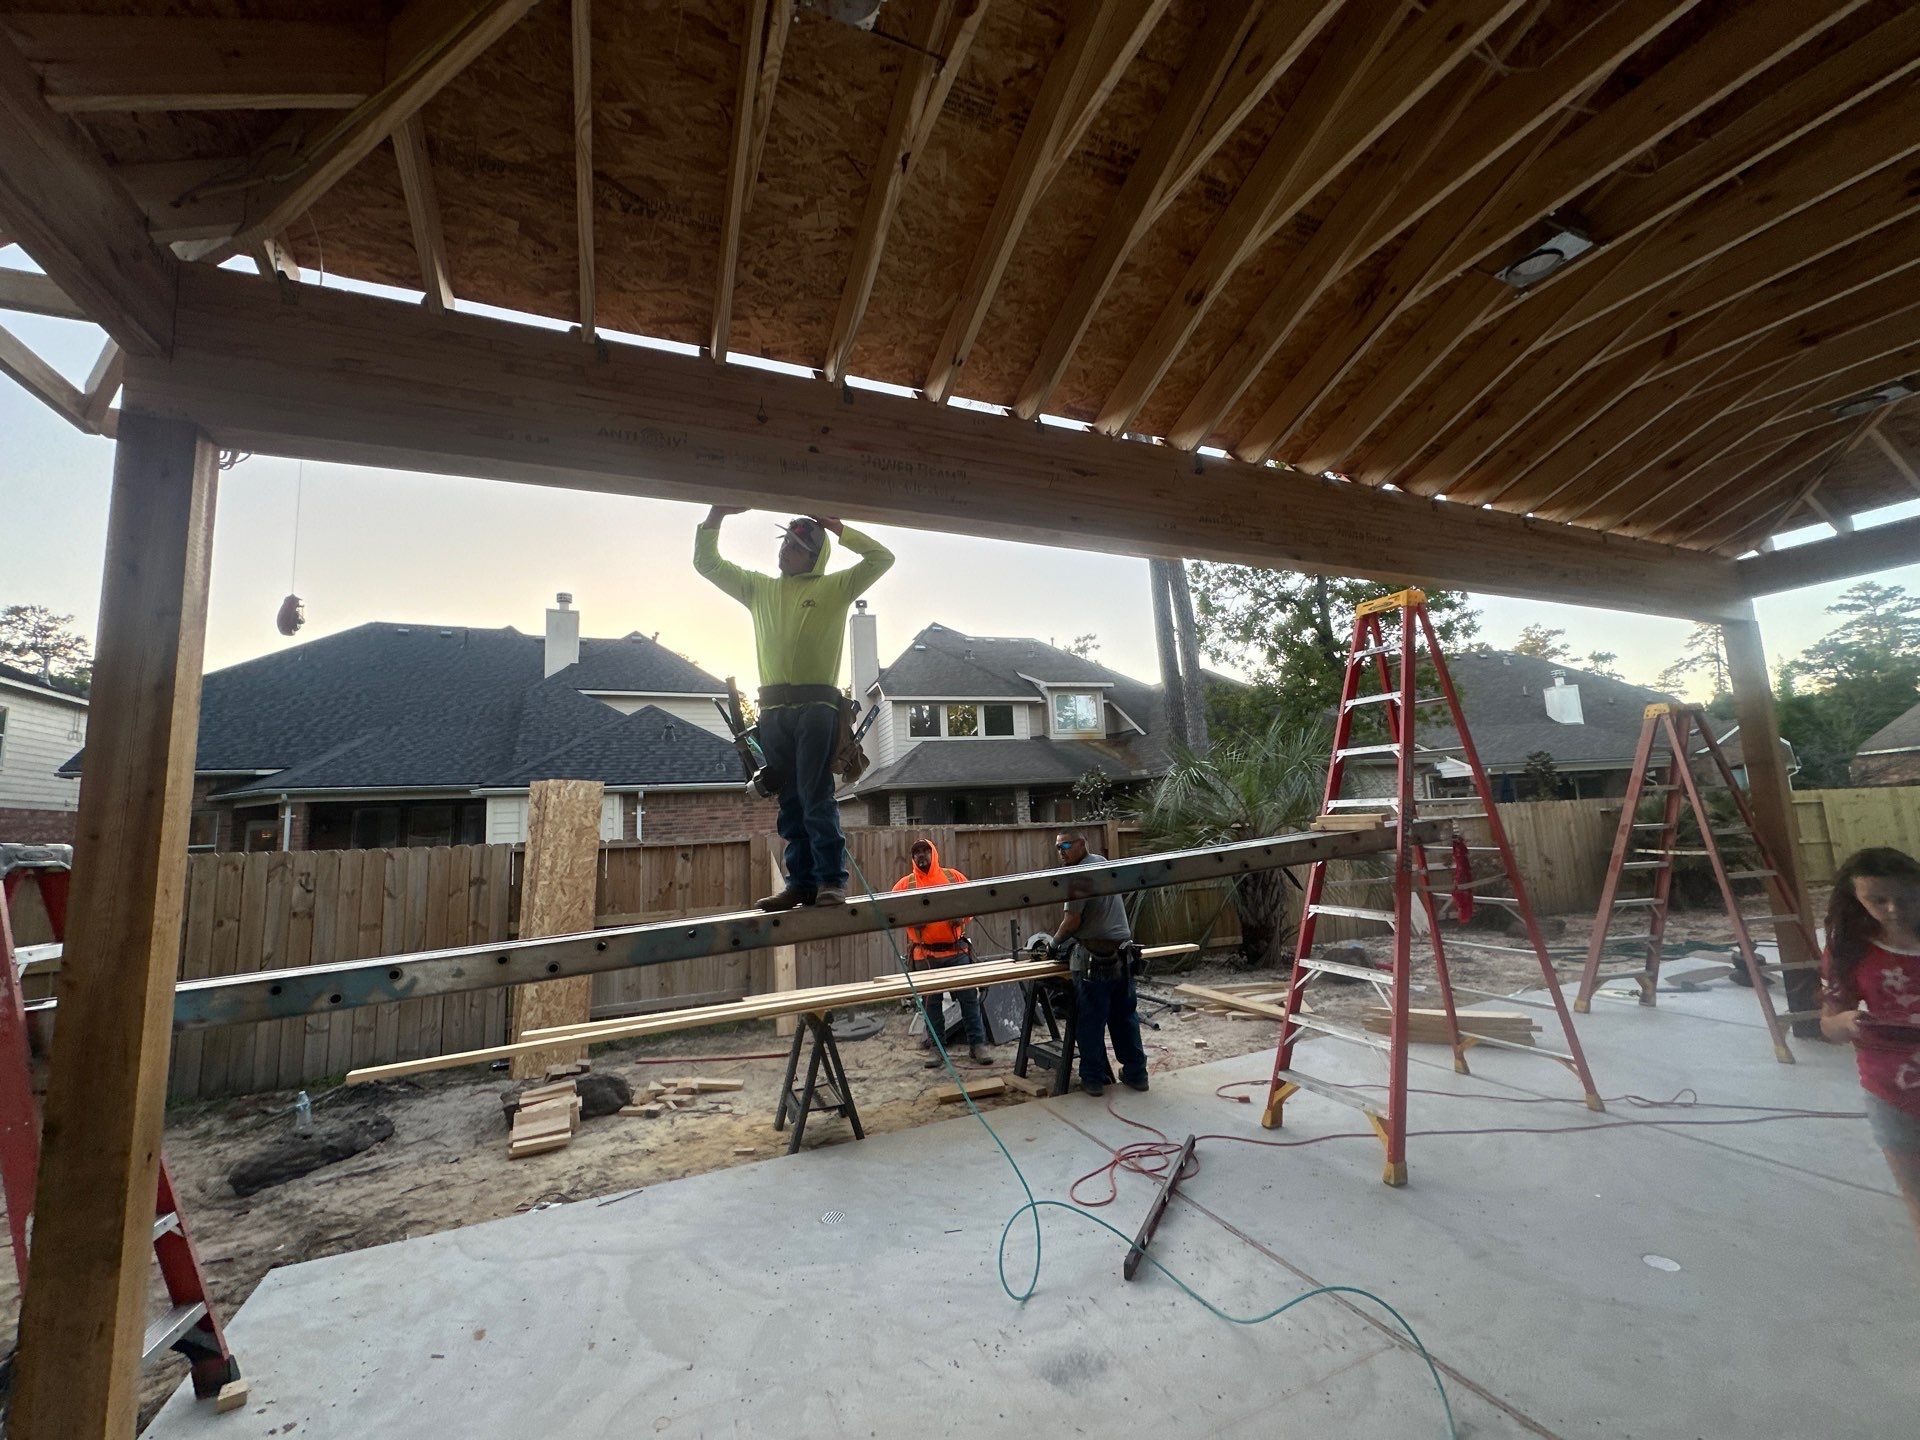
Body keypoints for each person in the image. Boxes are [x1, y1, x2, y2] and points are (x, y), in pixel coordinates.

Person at [694, 507, 893, 908]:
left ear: (814, 556)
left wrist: (839, 529)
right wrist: (717, 513)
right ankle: (800, 884)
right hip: (773, 711)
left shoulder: (835, 588)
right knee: (789, 799)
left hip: (816, 706)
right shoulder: (759, 589)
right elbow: (706, 563)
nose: (785, 550)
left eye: (796, 546)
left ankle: (831, 881)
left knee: (815, 794)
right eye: (784, 542)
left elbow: (881, 559)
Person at [1820, 846, 1920, 1246]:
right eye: (1877, 900)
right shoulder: (1849, 950)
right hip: (1890, 1089)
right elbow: (1829, 1023)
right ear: (1856, 900)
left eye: (1906, 896)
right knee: (1915, 1190)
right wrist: (1845, 1023)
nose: (1894, 908)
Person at [1050, 830, 1147, 1098]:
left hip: (1096, 959)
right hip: (1122, 954)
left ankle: (1092, 1080)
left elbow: (1072, 922)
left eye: (1066, 846)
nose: (1061, 852)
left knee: (1091, 1021)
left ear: (1082, 844)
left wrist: (1054, 944)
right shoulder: (1103, 863)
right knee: (1124, 1017)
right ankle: (1137, 1075)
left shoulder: (1078, 876)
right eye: (1058, 847)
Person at [892, 837, 991, 1067]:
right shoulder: (905, 885)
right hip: (925, 957)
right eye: (917, 852)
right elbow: (891, 912)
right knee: (931, 1005)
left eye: (925, 851)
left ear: (933, 853)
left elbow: (973, 901)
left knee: (968, 998)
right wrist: (910, 920)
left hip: (957, 952)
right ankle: (937, 1049)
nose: (921, 855)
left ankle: (978, 1045)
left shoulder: (952, 877)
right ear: (913, 858)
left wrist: (962, 917)